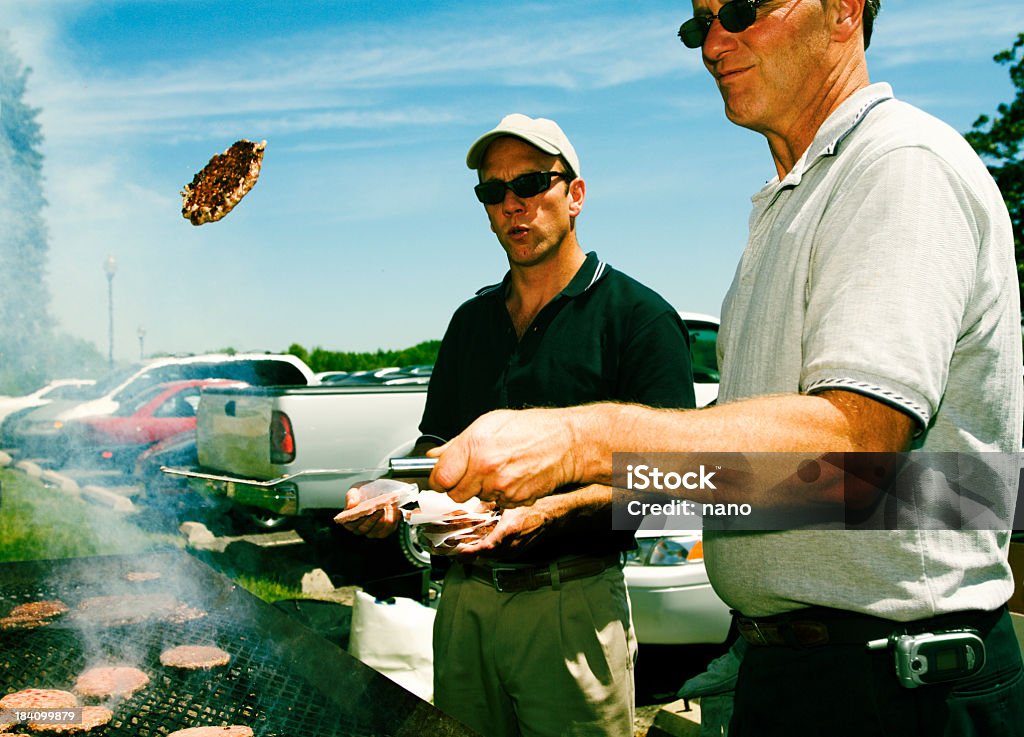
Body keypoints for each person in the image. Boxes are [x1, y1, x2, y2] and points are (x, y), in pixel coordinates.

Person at [426, 2, 1024, 735]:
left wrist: (584, 442)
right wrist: (567, 505)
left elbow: (859, 440)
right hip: (801, 668)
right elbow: (789, 484)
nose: (713, 44)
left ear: (842, 10)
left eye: (741, 10)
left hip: (896, 686)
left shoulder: (899, 167)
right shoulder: (790, 206)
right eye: (698, 24)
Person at [341, 113, 696, 737]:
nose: (513, 205)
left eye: (532, 184)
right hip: (465, 601)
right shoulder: (471, 322)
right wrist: (395, 492)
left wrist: (550, 514)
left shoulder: (637, 318)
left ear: (575, 195)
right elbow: (436, 446)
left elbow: (669, 487)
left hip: (571, 604)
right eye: (492, 191)